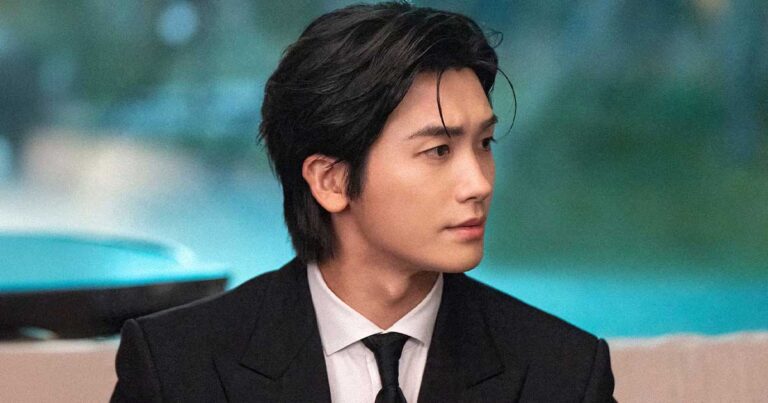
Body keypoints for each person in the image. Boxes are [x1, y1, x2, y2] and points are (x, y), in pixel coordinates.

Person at [111, 2, 615, 402]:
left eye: (484, 144)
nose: (479, 183)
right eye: (439, 151)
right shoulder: (177, 367)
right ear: (330, 180)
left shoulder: (563, 372)